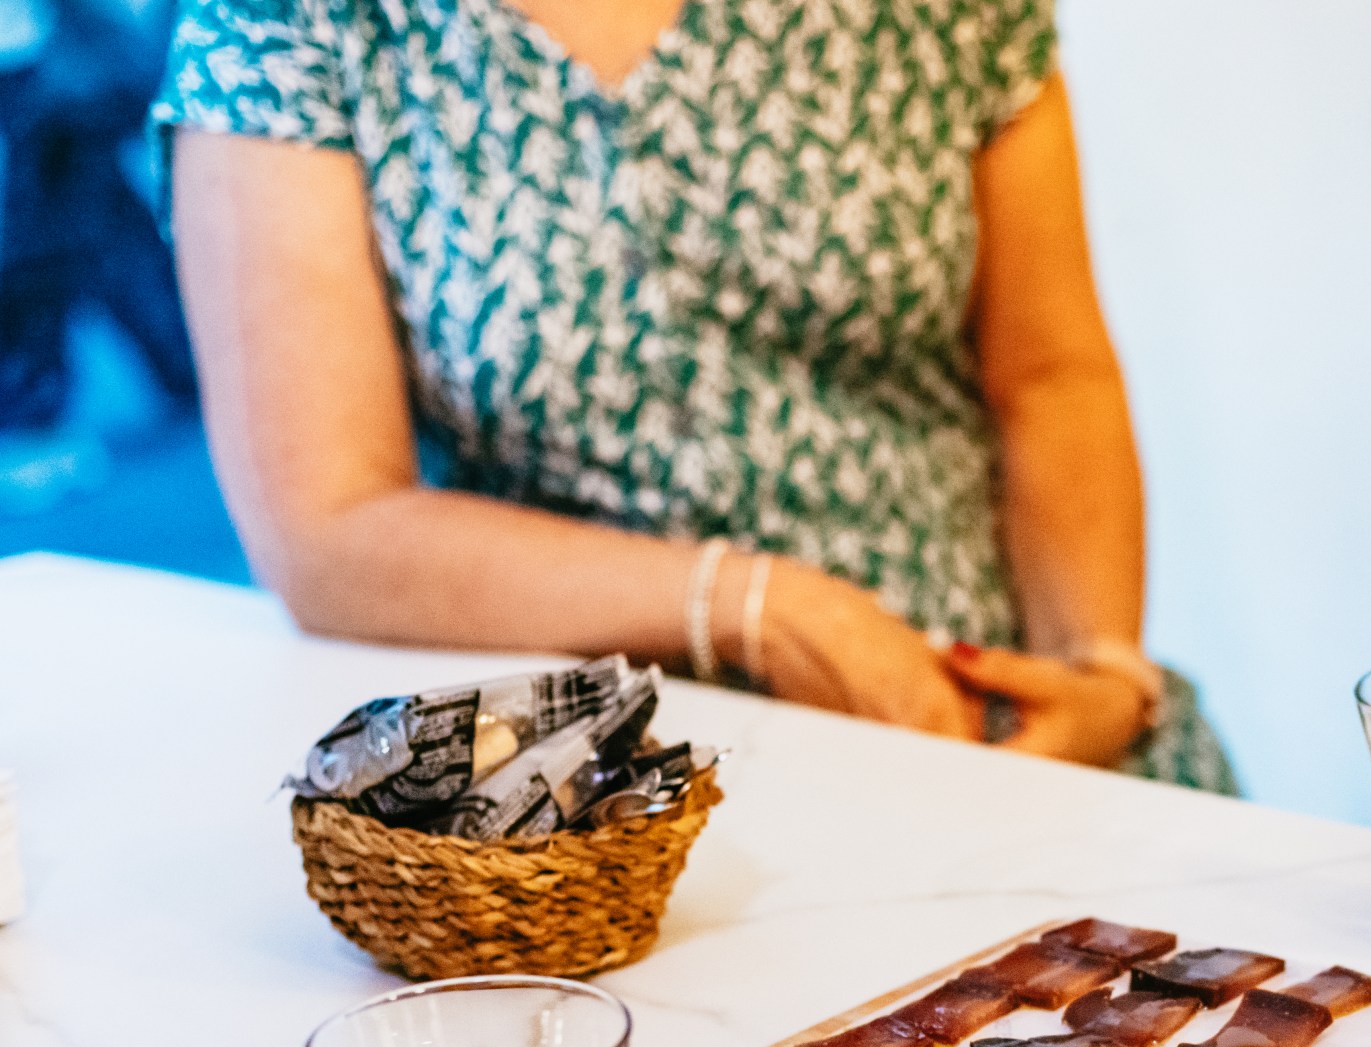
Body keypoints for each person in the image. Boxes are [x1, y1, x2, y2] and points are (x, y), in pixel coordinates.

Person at [153, 0, 1233, 790]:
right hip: (586, 795)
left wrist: (1097, 670)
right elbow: (329, 529)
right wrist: (752, 606)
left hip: (971, 721)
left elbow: (1049, 377)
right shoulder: (295, 28)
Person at [0, 0, 197, 510]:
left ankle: (190, 362)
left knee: (67, 234)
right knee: (37, 250)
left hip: (45, 61)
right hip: (35, 67)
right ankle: (29, 420)